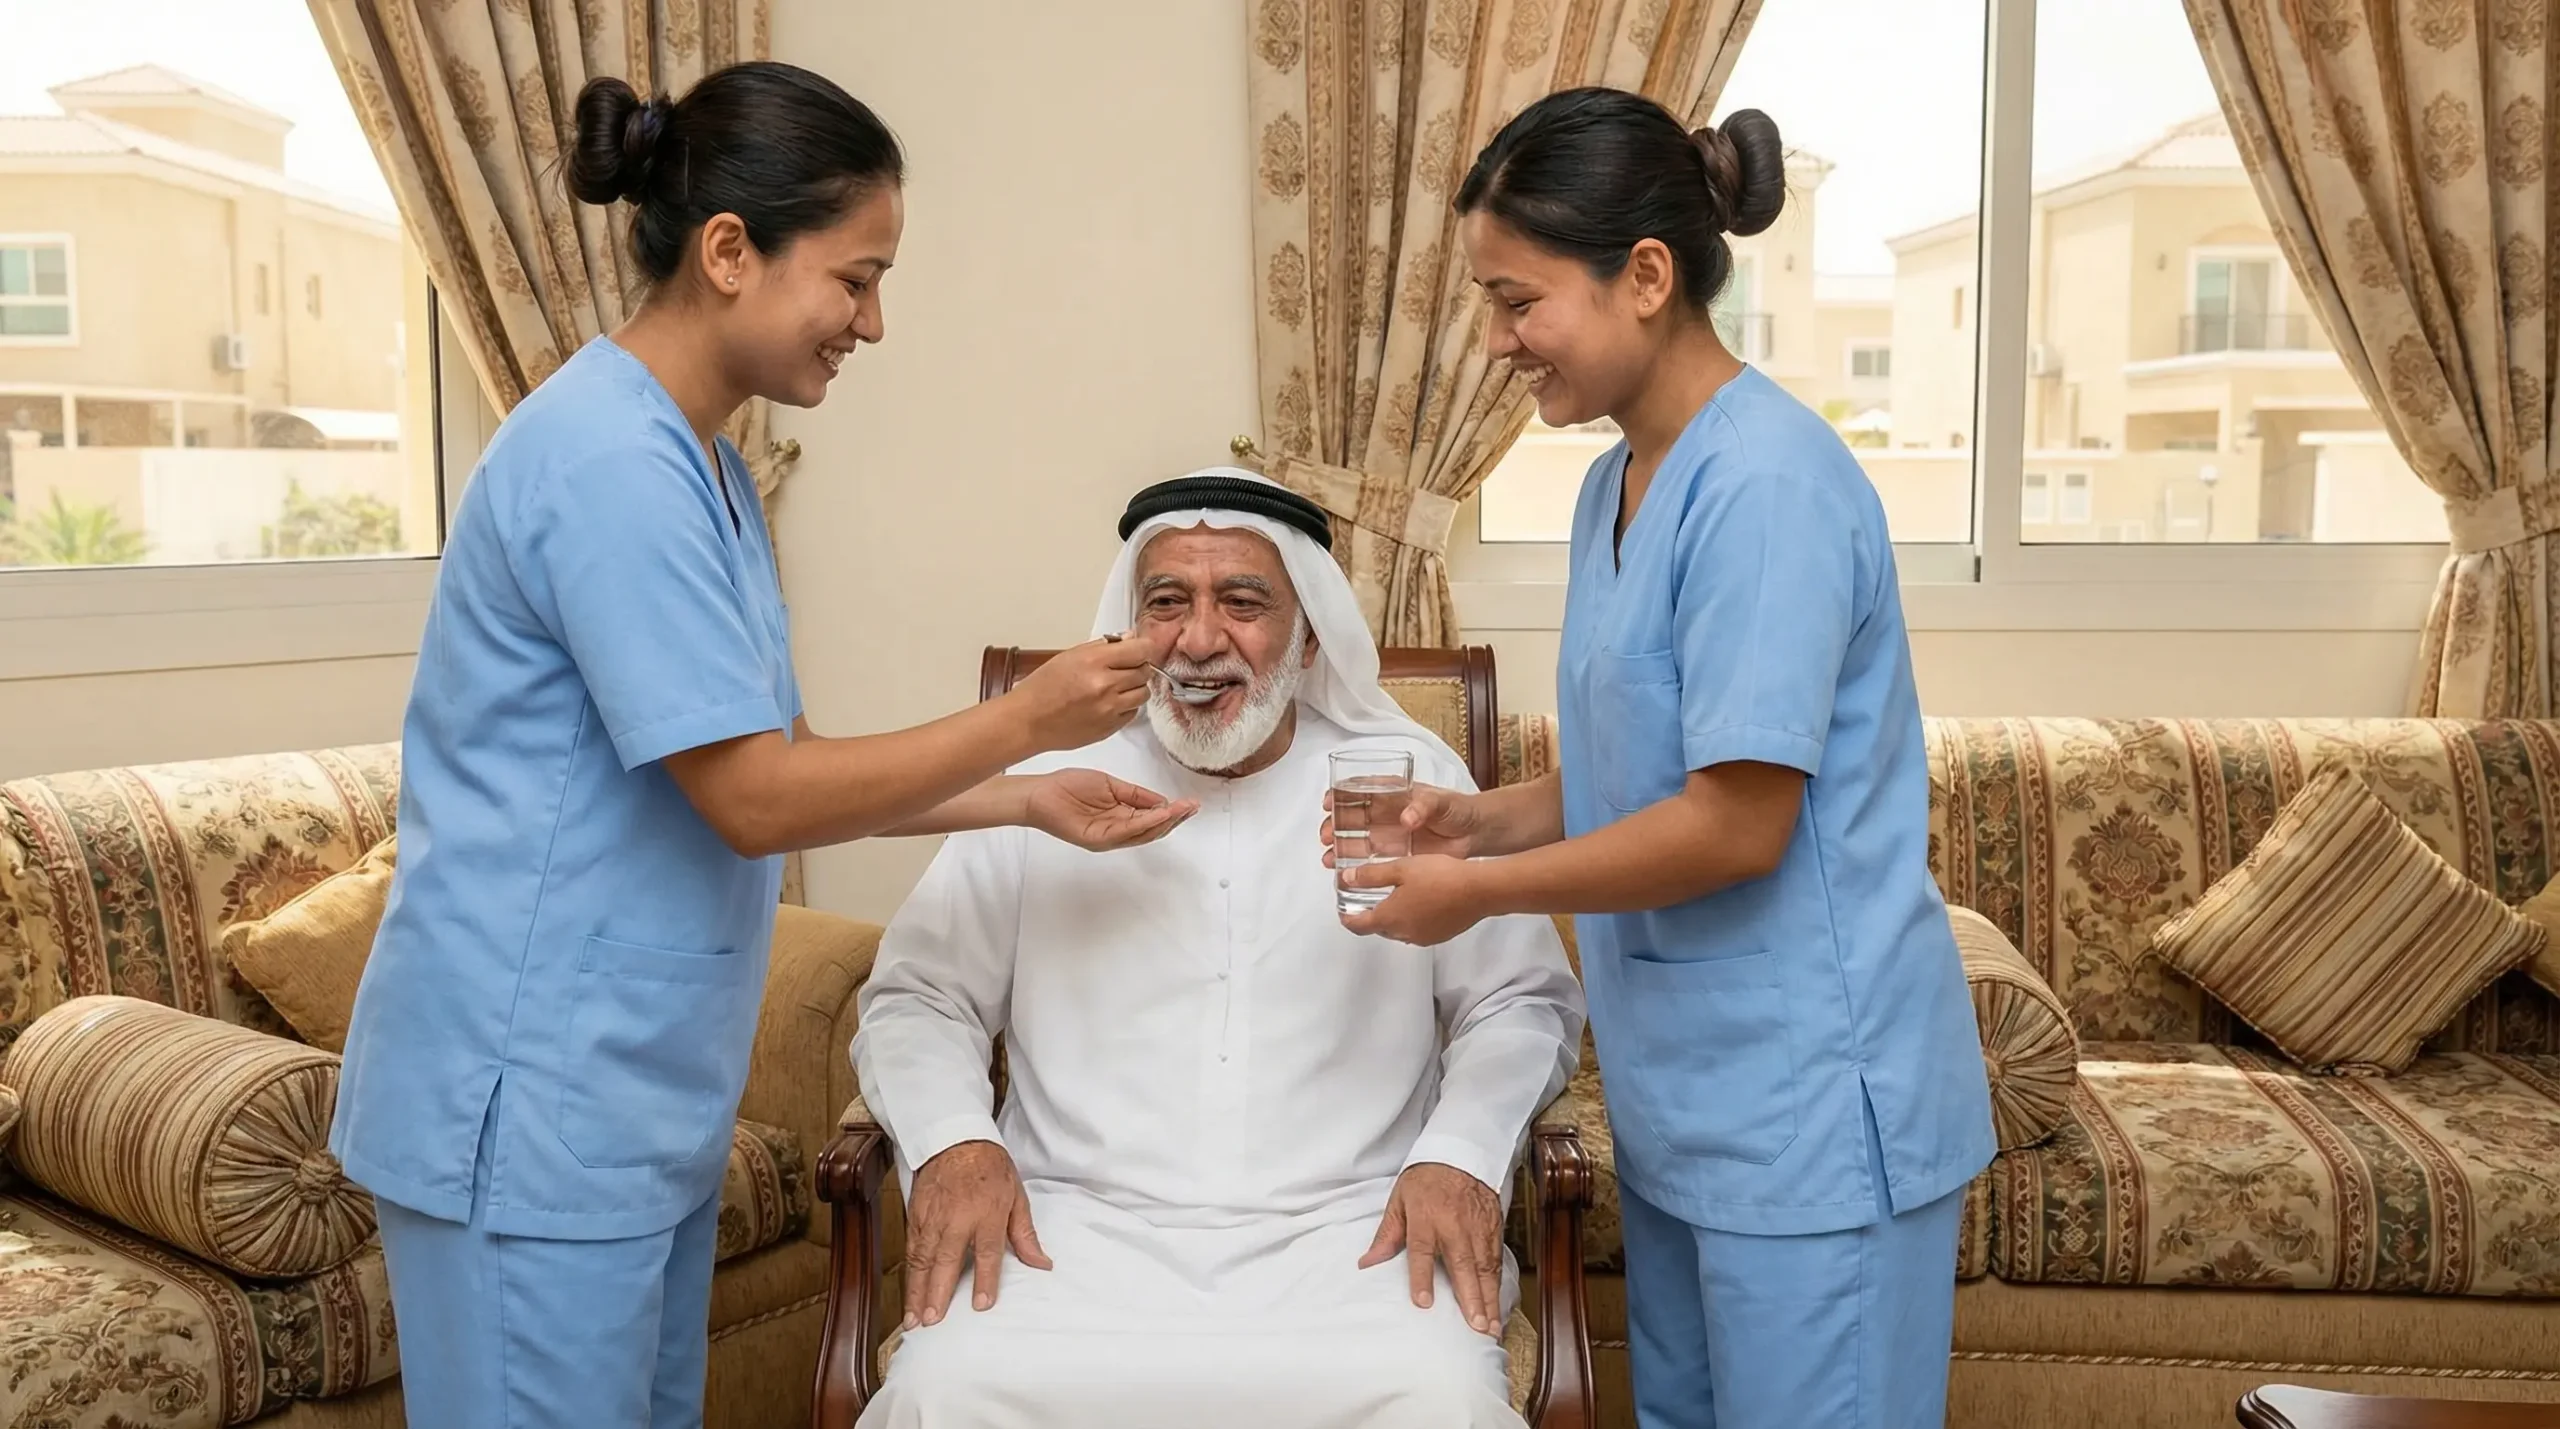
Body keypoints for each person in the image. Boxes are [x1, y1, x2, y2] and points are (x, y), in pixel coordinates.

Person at [330, 63, 1194, 1429]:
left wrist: (1026, 799)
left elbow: (792, 757)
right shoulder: (605, 463)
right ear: (729, 251)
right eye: (854, 278)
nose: (874, 320)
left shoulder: (712, 467)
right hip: (530, 1101)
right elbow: (753, 801)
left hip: (627, 1109)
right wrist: (1026, 712)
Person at [1330, 89, 1997, 1429]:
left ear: (1645, 277)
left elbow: (1735, 826)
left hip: (1811, 1104)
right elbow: (1646, 771)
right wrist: (1471, 825)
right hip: (1688, 1104)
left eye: (1519, 301)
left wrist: (1478, 896)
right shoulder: (1611, 483)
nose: (1498, 340)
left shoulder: (1767, 487)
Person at [850, 470, 1587, 1429]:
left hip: (1354, 1237)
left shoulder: (1406, 778)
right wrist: (956, 1141)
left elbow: (1518, 1000)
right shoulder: (1044, 783)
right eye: (1167, 603)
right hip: (1069, 1237)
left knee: (1439, 1399)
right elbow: (920, 996)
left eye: (1242, 603)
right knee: (941, 1392)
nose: (1199, 640)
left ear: (1310, 632)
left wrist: (1459, 1154)